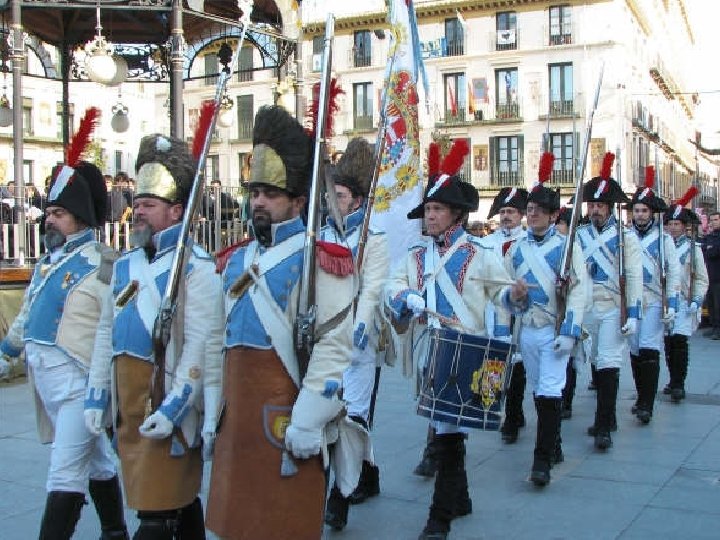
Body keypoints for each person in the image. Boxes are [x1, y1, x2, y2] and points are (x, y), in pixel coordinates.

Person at [205, 106, 355, 540]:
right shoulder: (235, 260)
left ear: (298, 201)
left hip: (285, 415)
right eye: (254, 192)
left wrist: (308, 419)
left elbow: (333, 345)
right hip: (237, 415)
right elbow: (215, 344)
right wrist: (212, 413)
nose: (258, 201)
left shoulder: (320, 259)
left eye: (270, 193)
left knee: (284, 524)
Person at [85, 133, 223, 539]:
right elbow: (106, 333)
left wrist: (174, 407)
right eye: (137, 203)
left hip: (165, 401)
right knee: (174, 502)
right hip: (127, 405)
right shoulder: (124, 265)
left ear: (176, 211)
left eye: (148, 204)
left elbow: (199, 345)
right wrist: (97, 393)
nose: (138, 212)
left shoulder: (197, 268)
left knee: (157, 516)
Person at [385, 139, 523, 540]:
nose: (430, 215)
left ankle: (439, 517)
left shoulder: (479, 252)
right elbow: (391, 287)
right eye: (428, 208)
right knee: (445, 426)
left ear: (457, 215)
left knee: (447, 432)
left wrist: (515, 295)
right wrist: (407, 296)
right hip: (430, 350)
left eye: (437, 209)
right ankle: (459, 500)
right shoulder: (415, 255)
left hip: (467, 351)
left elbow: (501, 295)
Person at [0, 154, 129, 539]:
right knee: (98, 463)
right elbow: (27, 316)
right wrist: (7, 353)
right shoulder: (47, 263)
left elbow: (116, 326)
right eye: (49, 212)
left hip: (80, 388)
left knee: (64, 473)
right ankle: (115, 531)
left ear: (81, 219)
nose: (49, 220)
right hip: (48, 386)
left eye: (58, 213)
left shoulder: (105, 264)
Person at [502, 153, 587, 486]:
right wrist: (513, 300)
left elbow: (579, 291)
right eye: (530, 208)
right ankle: (555, 445)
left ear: (553, 215)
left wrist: (570, 330)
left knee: (550, 391)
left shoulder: (567, 248)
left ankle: (541, 462)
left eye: (540, 209)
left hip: (555, 329)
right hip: (527, 329)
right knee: (539, 390)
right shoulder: (516, 249)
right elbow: (504, 289)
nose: (533, 213)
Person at [320, 138, 389, 530]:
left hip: (357, 344)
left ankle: (340, 497)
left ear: (358, 200)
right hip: (324, 343)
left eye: (340, 195)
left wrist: (357, 329)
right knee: (323, 416)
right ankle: (363, 476)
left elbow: (373, 290)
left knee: (352, 420)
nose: (333, 200)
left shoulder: (374, 239)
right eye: (332, 194)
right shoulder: (321, 234)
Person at [577, 152, 643, 450]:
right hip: (586, 306)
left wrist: (634, 312)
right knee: (593, 359)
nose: (595, 210)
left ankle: (603, 425)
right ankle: (609, 417)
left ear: (610, 207)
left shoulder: (625, 236)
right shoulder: (578, 235)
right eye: (591, 205)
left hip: (613, 305)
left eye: (600, 205)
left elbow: (634, 275)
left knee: (608, 360)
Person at [627, 166, 681, 425]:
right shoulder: (625, 237)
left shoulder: (664, 239)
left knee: (649, 349)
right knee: (635, 350)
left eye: (644, 211)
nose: (639, 214)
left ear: (651, 213)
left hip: (653, 300)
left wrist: (672, 303)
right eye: (636, 210)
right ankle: (641, 396)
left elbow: (673, 272)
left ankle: (647, 403)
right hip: (630, 301)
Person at [482, 186, 529, 445]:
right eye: (502, 211)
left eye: (511, 211)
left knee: (517, 363)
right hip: (494, 308)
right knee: (494, 358)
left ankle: (513, 415)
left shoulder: (528, 242)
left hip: (518, 308)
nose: (506, 216)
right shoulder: (488, 242)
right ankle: (492, 408)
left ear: (521, 215)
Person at [663, 188, 709, 402]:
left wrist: (697, 300)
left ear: (684, 226)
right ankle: (672, 379)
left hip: (683, 301)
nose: (673, 228)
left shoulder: (693, 248)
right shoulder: (661, 246)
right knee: (668, 344)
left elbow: (701, 278)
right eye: (670, 224)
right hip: (665, 301)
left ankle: (679, 383)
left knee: (680, 342)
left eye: (677, 224)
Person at [701, 211, 720, 339]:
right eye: (711, 220)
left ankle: (718, 329)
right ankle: (714, 326)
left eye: (715, 220)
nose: (713, 222)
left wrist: (709, 249)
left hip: (718, 276)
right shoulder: (710, 236)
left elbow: (713, 252)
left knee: (718, 304)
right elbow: (703, 250)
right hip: (709, 276)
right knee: (711, 303)